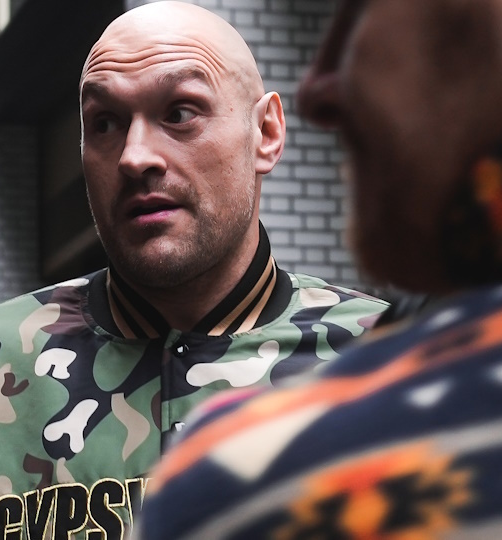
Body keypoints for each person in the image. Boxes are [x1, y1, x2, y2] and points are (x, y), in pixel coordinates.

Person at [0, 2, 387, 539]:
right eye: (105, 123)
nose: (134, 156)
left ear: (266, 133)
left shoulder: (391, 360)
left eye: (180, 112)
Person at [134, 0, 502, 538]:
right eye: (102, 123)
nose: (317, 89)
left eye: (361, 9)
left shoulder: (237, 479)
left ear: (266, 133)